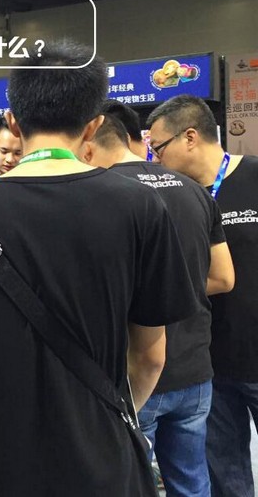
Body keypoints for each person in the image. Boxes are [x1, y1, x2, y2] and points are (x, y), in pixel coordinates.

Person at [0, 40, 198, 496]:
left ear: (12, 121)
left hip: (1, 464)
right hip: (103, 464)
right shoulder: (140, 207)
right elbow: (150, 356)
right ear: (94, 125)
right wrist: (107, 410)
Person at [81, 113, 234, 496]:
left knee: (133, 482)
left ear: (89, 143)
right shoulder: (195, 190)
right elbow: (223, 277)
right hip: (196, 369)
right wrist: (175, 289)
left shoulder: (100, 195)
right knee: (192, 480)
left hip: (135, 373)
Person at [146, 94, 258, 497]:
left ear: (190, 137)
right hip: (210, 365)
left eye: (159, 147)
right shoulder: (176, 199)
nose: (155, 159)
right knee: (226, 478)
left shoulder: (254, 176)